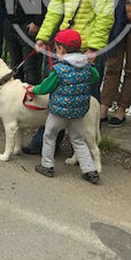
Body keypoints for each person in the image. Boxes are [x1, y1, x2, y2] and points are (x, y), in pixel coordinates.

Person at [23, 0, 115, 154]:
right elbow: (55, 9)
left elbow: (105, 15)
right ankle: (47, 141)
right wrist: (44, 36)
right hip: (63, 45)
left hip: (87, 47)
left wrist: (94, 48)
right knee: (55, 92)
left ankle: (85, 147)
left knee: (87, 96)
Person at [32, 29, 101, 184]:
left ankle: (47, 166)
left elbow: (45, 87)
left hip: (58, 112)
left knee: (49, 136)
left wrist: (33, 89)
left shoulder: (59, 69)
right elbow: (96, 78)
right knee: (78, 140)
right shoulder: (87, 67)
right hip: (78, 113)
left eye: (56, 48)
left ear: (61, 49)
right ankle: (90, 170)